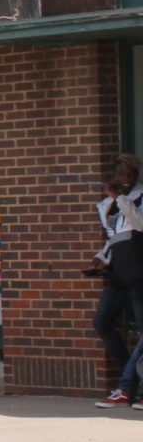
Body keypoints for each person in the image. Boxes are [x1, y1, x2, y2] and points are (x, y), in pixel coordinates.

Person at [91, 153, 143, 407]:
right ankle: (129, 379)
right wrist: (101, 256)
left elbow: (139, 224)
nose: (124, 178)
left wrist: (119, 197)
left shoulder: (138, 198)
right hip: (117, 273)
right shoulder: (105, 205)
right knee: (102, 321)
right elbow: (114, 236)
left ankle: (127, 385)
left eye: (129, 174)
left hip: (139, 272)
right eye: (120, 174)